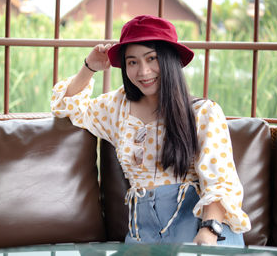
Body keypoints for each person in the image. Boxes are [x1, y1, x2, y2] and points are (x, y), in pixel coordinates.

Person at [51, 15, 251, 245]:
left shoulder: (204, 113)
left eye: (151, 58)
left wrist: (208, 232)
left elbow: (220, 181)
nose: (143, 72)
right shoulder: (118, 107)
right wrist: (89, 67)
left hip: (201, 228)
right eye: (133, 62)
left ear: (169, 59)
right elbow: (66, 105)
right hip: (142, 234)